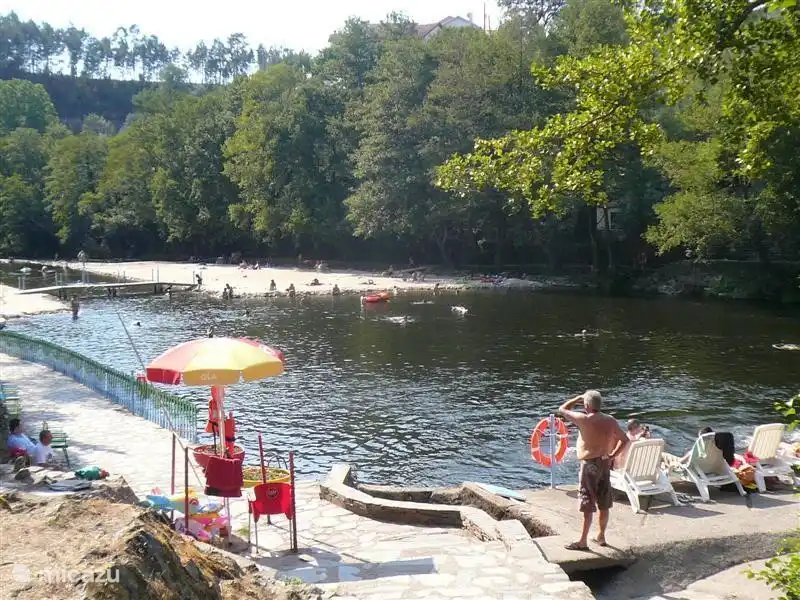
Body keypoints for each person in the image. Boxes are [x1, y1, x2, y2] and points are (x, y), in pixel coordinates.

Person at [558, 390, 629, 551]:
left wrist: (577, 398)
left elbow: (562, 409)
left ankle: (583, 541)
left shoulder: (583, 419)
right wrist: (612, 455)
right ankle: (601, 536)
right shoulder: (610, 420)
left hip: (589, 464)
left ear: (587, 405)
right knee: (604, 501)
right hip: (604, 462)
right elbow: (624, 439)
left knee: (587, 502)